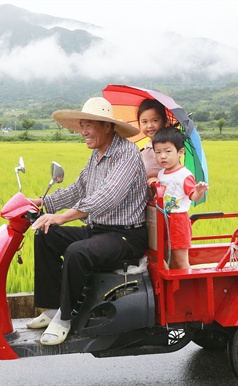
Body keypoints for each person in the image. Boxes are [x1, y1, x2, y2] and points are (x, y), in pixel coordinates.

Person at [26, 97, 149, 346]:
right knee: (46, 234)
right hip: (98, 231)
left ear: (107, 126)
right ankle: (51, 308)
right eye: (82, 125)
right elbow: (78, 189)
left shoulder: (127, 154)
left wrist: (63, 216)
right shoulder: (96, 155)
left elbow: (107, 198)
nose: (83, 131)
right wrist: (40, 202)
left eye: (89, 125)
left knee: (77, 252)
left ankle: (65, 317)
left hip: (125, 236)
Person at [150, 126, 208, 270]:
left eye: (168, 151)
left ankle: (187, 286)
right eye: (158, 152)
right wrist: (153, 181)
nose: (162, 156)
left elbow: (193, 196)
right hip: (163, 218)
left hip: (178, 221)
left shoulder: (184, 175)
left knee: (180, 260)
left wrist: (199, 191)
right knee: (164, 256)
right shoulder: (162, 173)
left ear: (180, 152)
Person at [138, 98, 169, 185]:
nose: (150, 125)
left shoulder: (167, 148)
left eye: (155, 120)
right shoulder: (145, 148)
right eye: (144, 122)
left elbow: (174, 172)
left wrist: (159, 178)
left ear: (164, 121)